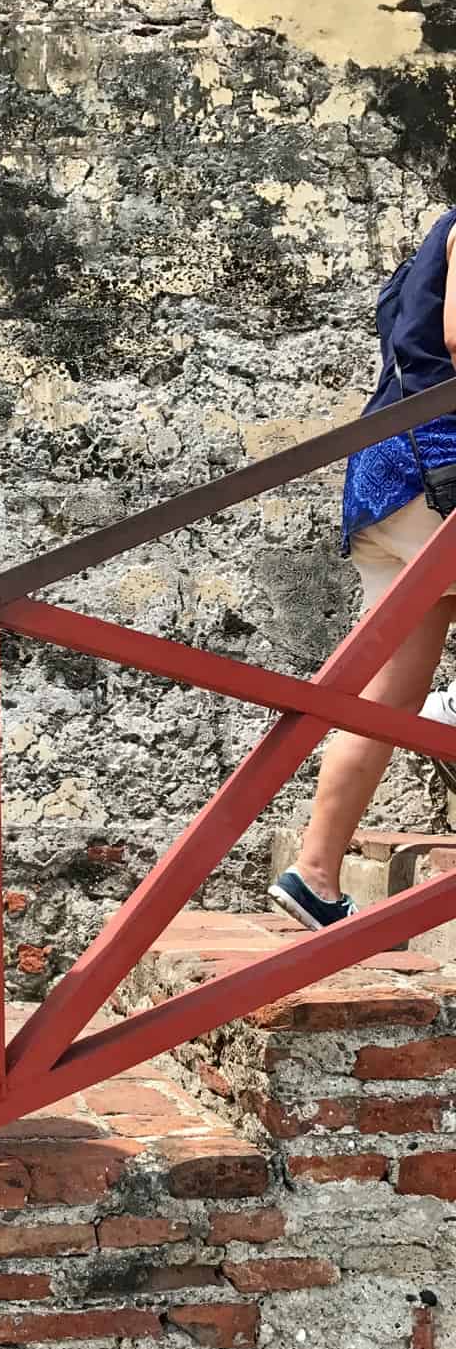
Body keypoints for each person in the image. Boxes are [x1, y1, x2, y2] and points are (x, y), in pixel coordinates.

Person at [270, 208, 456, 929]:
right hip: (438, 469)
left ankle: (315, 872)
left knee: (383, 700)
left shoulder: (429, 245)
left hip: (388, 478)